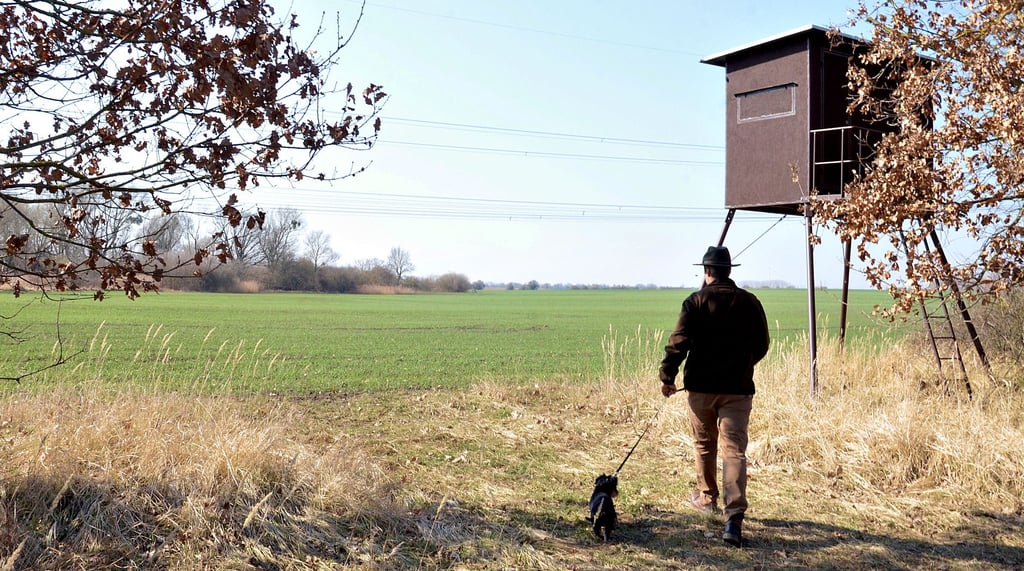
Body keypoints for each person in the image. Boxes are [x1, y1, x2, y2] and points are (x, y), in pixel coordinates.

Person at [659, 245, 770, 548]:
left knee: (704, 443)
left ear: (706, 272)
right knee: (734, 450)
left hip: (701, 389)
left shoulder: (695, 301)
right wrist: (744, 365)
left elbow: (678, 343)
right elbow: (762, 343)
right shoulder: (750, 302)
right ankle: (733, 518)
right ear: (729, 271)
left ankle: (707, 499)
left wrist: (667, 377)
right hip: (738, 389)